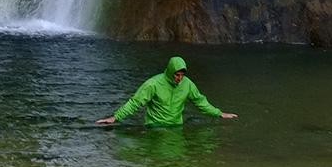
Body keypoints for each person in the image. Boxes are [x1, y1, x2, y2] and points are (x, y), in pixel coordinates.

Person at [95, 55, 238, 126]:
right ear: (171, 72)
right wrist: (115, 117)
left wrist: (219, 113)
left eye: (182, 75)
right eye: (177, 74)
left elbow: (200, 101)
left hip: (176, 127)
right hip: (154, 127)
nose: (180, 78)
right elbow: (135, 103)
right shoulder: (153, 84)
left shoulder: (187, 84)